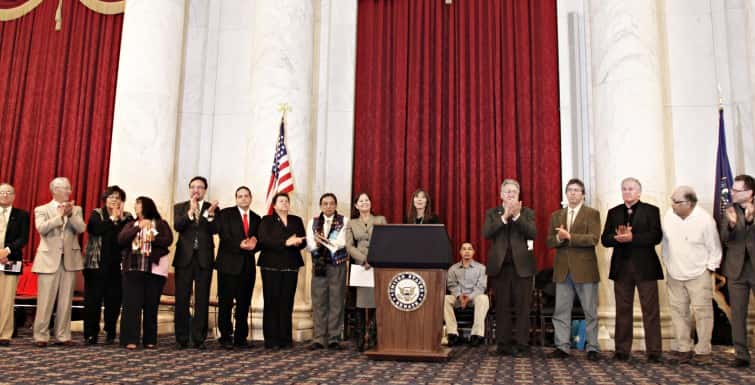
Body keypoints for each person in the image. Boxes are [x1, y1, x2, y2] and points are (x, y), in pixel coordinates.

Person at [601, 177, 664, 363]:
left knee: (650, 310)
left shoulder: (651, 210)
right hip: (621, 268)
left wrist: (632, 238)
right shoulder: (614, 212)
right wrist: (617, 238)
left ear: (639, 192)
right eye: (624, 189)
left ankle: (654, 351)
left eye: (630, 189)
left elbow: (656, 236)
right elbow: (605, 239)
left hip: (646, 267)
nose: (627, 192)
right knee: (622, 310)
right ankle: (621, 350)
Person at [662, 186, 721, 365]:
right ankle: (683, 348)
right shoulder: (668, 215)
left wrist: (709, 269)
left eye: (676, 202)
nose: (672, 205)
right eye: (671, 201)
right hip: (674, 272)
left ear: (688, 203)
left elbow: (715, 248)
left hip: (699, 273)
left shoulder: (705, 220)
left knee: (703, 312)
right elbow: (665, 242)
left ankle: (703, 350)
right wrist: (667, 263)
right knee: (679, 312)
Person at [545, 178, 601, 361]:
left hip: (585, 269)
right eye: (570, 190)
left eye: (577, 190)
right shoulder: (556, 215)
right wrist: (560, 239)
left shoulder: (592, 213)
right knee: (561, 310)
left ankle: (593, 347)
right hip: (563, 270)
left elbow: (593, 238)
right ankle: (562, 346)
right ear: (566, 193)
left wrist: (570, 236)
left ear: (583, 194)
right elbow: (549, 241)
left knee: (590, 311)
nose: (573, 193)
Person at [483, 179, 537, 356]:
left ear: (518, 195)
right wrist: (504, 217)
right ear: (501, 195)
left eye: (514, 191)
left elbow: (532, 233)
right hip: (500, 268)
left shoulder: (527, 213)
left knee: (523, 307)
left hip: (522, 268)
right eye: (507, 191)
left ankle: (522, 344)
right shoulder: (492, 213)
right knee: (502, 307)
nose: (511, 194)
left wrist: (516, 216)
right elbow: (487, 233)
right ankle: (503, 344)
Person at [32, 177, 86, 347]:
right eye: (66, 189)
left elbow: (81, 228)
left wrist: (70, 215)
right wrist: (59, 217)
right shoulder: (41, 209)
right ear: (55, 190)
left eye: (69, 188)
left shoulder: (76, 209)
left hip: (69, 260)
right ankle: (41, 336)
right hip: (48, 259)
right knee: (45, 301)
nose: (69, 192)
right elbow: (41, 228)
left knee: (65, 300)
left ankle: (63, 335)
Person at [118, 197, 173, 350]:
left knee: (151, 305)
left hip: (154, 269)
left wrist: (151, 236)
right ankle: (130, 339)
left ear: (146, 206)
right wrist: (138, 228)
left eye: (138, 203)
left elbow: (168, 240)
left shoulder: (160, 223)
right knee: (131, 305)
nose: (135, 206)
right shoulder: (130, 224)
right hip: (133, 268)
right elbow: (121, 240)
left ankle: (150, 339)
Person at [172, 176, 219, 349]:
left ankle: (199, 338)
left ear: (205, 190)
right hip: (184, 259)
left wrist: (212, 216)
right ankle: (182, 338)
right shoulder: (180, 207)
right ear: (189, 189)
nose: (196, 190)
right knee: (182, 299)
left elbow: (215, 230)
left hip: (204, 260)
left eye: (200, 187)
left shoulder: (211, 208)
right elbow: (178, 226)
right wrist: (190, 213)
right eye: (193, 187)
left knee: (202, 299)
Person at [83, 185, 132, 345]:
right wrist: (112, 219)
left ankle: (110, 331)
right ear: (105, 199)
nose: (114, 200)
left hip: (117, 266)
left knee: (114, 300)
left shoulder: (127, 217)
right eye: (111, 197)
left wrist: (119, 219)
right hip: (96, 265)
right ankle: (91, 334)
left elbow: (128, 236)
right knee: (93, 301)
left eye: (117, 198)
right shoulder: (97, 214)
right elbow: (95, 229)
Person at [257, 192, 306, 349]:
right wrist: (286, 242)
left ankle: (285, 339)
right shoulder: (267, 220)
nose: (285, 203)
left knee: (287, 302)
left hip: (291, 265)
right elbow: (264, 240)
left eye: (286, 201)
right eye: (281, 201)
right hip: (271, 265)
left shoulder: (296, 220)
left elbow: (303, 240)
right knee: (272, 301)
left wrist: (298, 242)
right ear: (274, 205)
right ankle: (271, 340)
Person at [215, 186, 261, 349]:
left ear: (250, 198)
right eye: (240, 196)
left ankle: (241, 337)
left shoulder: (256, 218)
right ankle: (225, 337)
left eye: (246, 196)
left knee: (244, 303)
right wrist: (239, 244)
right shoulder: (226, 214)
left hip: (247, 268)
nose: (243, 199)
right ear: (236, 199)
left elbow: (259, 240)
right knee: (226, 303)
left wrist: (255, 245)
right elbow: (224, 235)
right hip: (228, 265)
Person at [719, 174, 755, 368]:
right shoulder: (729, 210)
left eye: (736, 190)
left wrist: (750, 221)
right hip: (736, 269)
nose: (731, 192)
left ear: (749, 193)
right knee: (738, 313)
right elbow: (724, 238)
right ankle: (741, 354)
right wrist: (732, 225)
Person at [306, 193, 349, 350]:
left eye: (331, 203)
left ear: (336, 205)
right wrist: (317, 246)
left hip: (337, 265)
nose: (328, 206)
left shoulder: (344, 221)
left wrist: (324, 242)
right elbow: (310, 242)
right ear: (321, 206)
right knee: (319, 302)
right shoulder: (313, 221)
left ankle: (334, 338)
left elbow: (342, 242)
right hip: (319, 265)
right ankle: (319, 338)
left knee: (336, 301)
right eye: (325, 203)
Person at [345, 192, 386, 351]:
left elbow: (386, 240)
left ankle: (374, 337)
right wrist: (363, 259)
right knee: (360, 304)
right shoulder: (352, 222)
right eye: (361, 201)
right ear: (356, 205)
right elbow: (349, 246)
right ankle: (360, 339)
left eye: (367, 200)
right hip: (360, 265)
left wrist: (374, 258)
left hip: (377, 264)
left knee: (377, 301)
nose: (364, 203)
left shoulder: (380, 220)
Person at [0, 183, 30, 347]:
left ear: (14, 196)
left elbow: (23, 238)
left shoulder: (22, 215)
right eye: (2, 192)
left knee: (7, 298)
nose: (5, 195)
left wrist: (6, 251)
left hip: (12, 260)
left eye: (8, 193)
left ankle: (4, 334)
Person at [443, 242, 489, 347]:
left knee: (483, 298)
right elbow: (452, 285)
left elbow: (481, 287)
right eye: (464, 249)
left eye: (469, 249)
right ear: (460, 252)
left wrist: (468, 298)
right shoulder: (453, 269)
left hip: (474, 298)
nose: (467, 251)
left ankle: (476, 335)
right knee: (445, 299)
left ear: (473, 252)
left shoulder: (481, 268)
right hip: (458, 298)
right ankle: (452, 334)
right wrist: (460, 296)